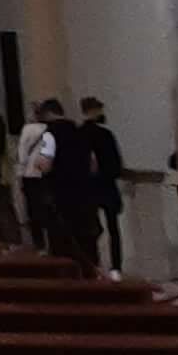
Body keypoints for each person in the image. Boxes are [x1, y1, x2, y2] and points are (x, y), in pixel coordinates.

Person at [45, 102, 106, 273]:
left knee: (63, 240)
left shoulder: (49, 135)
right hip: (84, 194)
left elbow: (45, 165)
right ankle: (91, 274)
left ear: (47, 114)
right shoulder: (81, 133)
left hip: (61, 194)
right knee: (86, 241)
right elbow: (94, 165)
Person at [79, 96, 127, 273]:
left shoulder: (79, 135)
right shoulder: (105, 135)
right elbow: (115, 166)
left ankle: (93, 263)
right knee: (113, 229)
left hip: (86, 189)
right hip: (106, 186)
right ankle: (116, 268)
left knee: (90, 228)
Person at [14, 100, 62, 251]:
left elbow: (22, 154)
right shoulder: (50, 129)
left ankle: (39, 243)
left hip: (30, 174)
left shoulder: (28, 129)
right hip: (46, 174)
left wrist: (21, 170)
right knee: (48, 209)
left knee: (33, 210)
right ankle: (52, 242)